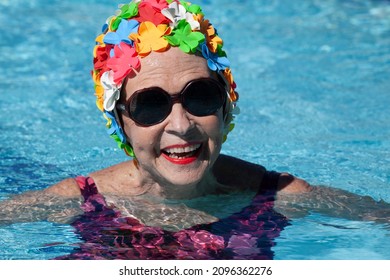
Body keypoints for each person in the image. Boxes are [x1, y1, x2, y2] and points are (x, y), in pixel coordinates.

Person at [1, 0, 389, 259]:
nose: (182, 125)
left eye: (199, 96)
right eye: (150, 105)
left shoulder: (277, 197)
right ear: (120, 119)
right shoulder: (79, 201)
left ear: (226, 104)